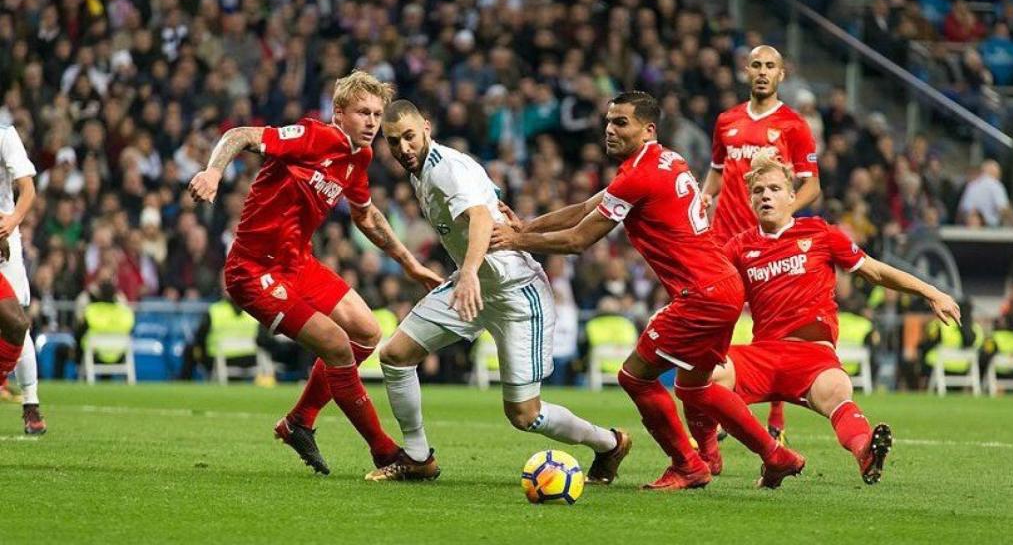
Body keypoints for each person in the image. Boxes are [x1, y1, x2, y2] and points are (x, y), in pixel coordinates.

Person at [492, 91, 805, 491]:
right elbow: (591, 204)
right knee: (695, 386)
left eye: (621, 122)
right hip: (725, 285)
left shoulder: (639, 174)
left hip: (702, 292)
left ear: (648, 129)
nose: (610, 129)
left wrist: (515, 242)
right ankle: (775, 455)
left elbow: (577, 241)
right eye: (608, 121)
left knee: (634, 377)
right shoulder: (665, 159)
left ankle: (688, 465)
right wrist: (525, 228)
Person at [356, 100, 629, 482]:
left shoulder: (446, 169)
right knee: (396, 355)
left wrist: (467, 272)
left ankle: (610, 443)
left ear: (427, 128)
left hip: (517, 292)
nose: (403, 148)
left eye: (410, 137)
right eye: (394, 141)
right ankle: (418, 457)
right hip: (474, 287)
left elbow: (481, 218)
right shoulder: (423, 171)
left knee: (525, 415)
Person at [188, 70, 443, 475]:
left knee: (367, 331)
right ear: (339, 113)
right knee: (338, 346)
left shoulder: (360, 157)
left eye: (377, 113)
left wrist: (408, 262)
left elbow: (366, 215)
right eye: (363, 112)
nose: (373, 122)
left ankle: (299, 422)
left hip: (298, 263)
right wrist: (214, 172)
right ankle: (384, 451)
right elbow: (238, 134)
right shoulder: (312, 136)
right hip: (254, 271)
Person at [696, 158, 960, 484]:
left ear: (792, 197)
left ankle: (866, 453)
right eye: (758, 191)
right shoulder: (738, 246)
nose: (766, 196)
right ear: (749, 201)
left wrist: (930, 291)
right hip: (763, 354)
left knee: (837, 390)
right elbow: (710, 290)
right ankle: (711, 454)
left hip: (812, 356)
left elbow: (875, 271)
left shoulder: (819, 232)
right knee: (701, 372)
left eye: (775, 189)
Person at [701, 45, 821, 444]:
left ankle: (776, 421)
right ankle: (715, 408)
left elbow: (812, 184)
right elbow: (718, 171)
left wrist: (783, 216)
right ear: (745, 71)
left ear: (782, 75)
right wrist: (704, 195)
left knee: (772, 331)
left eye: (770, 66)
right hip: (724, 241)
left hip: (768, 244)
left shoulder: (793, 125)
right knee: (716, 323)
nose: (763, 72)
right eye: (756, 65)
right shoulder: (726, 121)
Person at [0, 124, 43, 434]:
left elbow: (27, 188)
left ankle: (31, 402)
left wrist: (12, 222)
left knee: (16, 321)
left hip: (4, 232)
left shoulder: (4, 134)